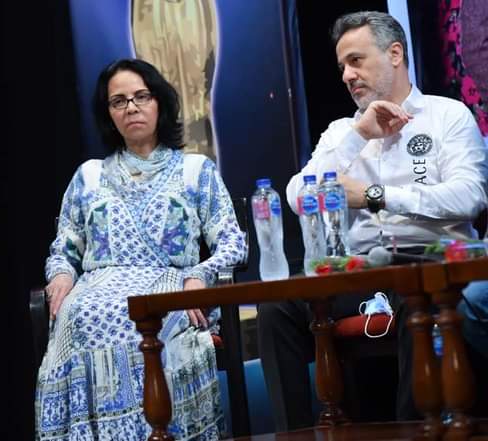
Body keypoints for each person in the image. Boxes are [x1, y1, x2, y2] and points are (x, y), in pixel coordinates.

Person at [257, 11, 488, 431]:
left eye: (356, 61)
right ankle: (295, 433)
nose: (347, 75)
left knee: (417, 301)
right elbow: (296, 196)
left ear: (395, 54)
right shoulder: (342, 132)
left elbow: (469, 197)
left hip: (429, 264)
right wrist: (358, 136)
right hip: (360, 269)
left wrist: (376, 196)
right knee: (277, 309)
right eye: (342, 67)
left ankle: (416, 432)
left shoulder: (447, 116)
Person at [34, 58, 246, 440]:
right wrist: (62, 275)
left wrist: (200, 274)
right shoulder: (88, 176)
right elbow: (63, 248)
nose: (131, 107)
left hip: (168, 285)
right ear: (109, 114)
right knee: (76, 316)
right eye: (119, 101)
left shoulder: (195, 170)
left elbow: (232, 241)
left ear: (159, 102)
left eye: (141, 96)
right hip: (95, 290)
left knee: (141, 318)